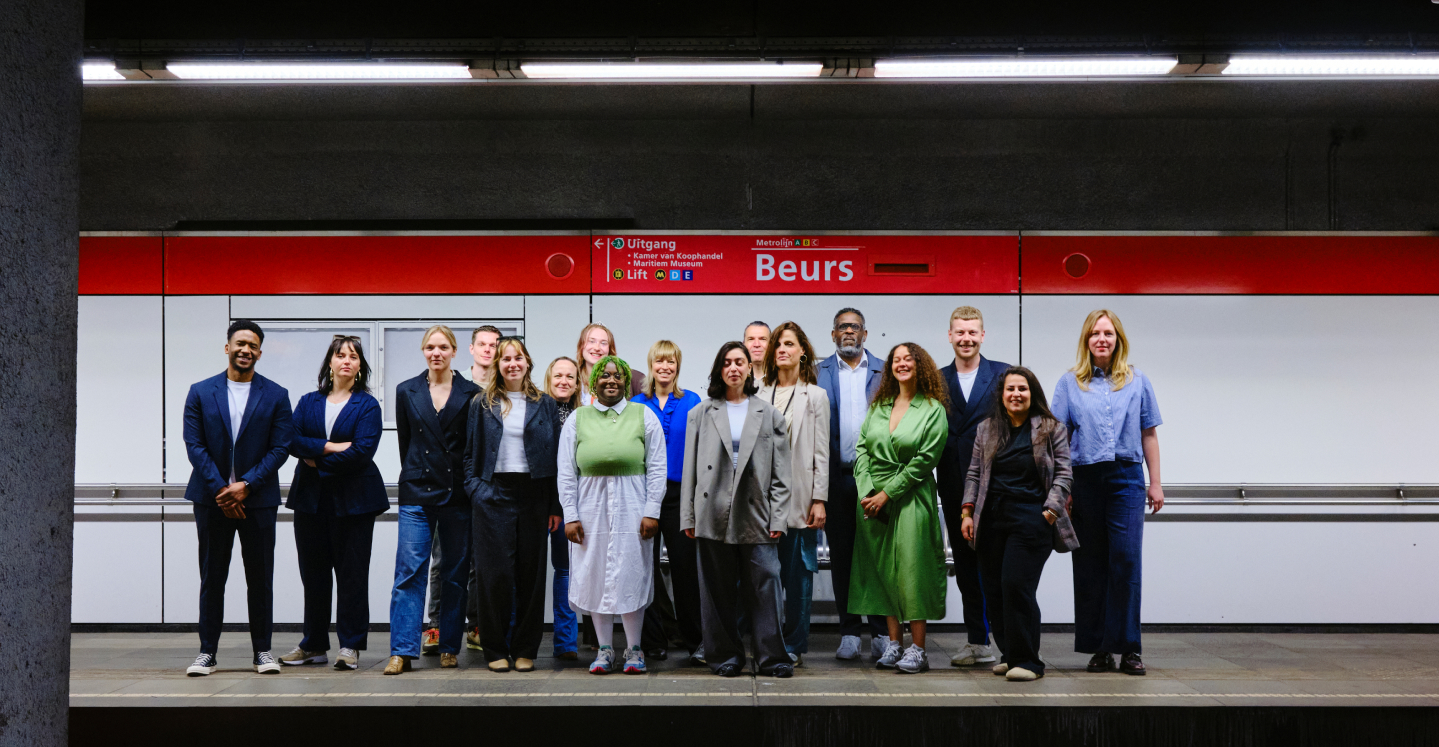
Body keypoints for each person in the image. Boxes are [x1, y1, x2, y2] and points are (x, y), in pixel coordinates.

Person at [1052, 310, 1164, 677]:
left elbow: (1149, 433)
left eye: (1109, 333)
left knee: (1126, 561)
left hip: (1126, 478)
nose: (1102, 339)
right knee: (1090, 563)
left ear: (1118, 340)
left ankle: (1129, 647)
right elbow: (1059, 439)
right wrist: (1063, 487)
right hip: (1084, 479)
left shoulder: (1137, 381)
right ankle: (1099, 649)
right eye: (1096, 333)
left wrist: (1155, 482)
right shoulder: (1070, 383)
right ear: (1086, 340)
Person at [181, 320, 294, 676]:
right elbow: (194, 445)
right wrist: (222, 490)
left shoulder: (276, 394)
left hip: (257, 501)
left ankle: (263, 651)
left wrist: (246, 484)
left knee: (260, 578)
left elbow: (281, 448)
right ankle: (207, 653)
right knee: (212, 577)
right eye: (240, 343)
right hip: (211, 500)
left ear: (259, 353)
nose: (246, 350)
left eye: (253, 345)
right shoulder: (201, 392)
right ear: (227, 347)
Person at [680, 342, 794, 678]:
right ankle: (724, 656)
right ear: (719, 369)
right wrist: (689, 515)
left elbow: (782, 473)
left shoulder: (769, 414)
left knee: (766, 585)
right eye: (727, 362)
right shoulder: (700, 413)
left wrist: (779, 516)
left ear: (748, 369)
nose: (733, 368)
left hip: (757, 512)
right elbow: (689, 470)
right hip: (711, 511)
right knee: (716, 591)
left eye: (739, 362)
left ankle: (772, 658)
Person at [960, 366, 1079, 682]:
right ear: (1001, 395)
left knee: (1016, 586)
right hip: (991, 521)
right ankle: (1010, 655)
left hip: (1031, 520)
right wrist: (966, 512)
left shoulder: (1051, 428)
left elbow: (1064, 474)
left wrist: (1050, 512)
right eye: (1010, 389)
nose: (1016, 394)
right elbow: (973, 473)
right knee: (994, 591)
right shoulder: (987, 429)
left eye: (1022, 389)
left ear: (1032, 393)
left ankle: (1029, 661)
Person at [280, 336, 388, 671]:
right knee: (313, 576)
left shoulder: (367, 406)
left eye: (353, 356)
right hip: (310, 502)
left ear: (360, 366)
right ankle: (313, 645)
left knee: (352, 576)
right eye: (340, 355)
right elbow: (292, 440)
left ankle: (350, 645)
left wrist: (317, 459)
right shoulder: (308, 401)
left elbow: (362, 452)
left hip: (355, 503)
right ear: (330, 361)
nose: (346, 360)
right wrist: (331, 446)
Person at [558, 356, 668, 675]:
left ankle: (634, 649)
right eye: (604, 375)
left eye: (617, 376)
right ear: (594, 381)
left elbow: (657, 468)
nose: (611, 380)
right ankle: (604, 649)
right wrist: (570, 515)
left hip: (634, 506)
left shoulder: (643, 415)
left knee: (632, 573)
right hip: (589, 508)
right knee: (595, 574)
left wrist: (652, 511)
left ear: (626, 382)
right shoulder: (578, 418)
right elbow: (566, 472)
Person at [849, 342, 950, 674]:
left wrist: (887, 494)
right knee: (883, 574)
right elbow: (862, 450)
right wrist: (868, 492)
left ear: (920, 366)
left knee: (912, 570)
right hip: (872, 500)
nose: (902, 364)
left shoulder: (932, 408)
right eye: (896, 359)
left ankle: (918, 649)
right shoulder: (879, 406)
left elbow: (925, 460)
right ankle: (894, 644)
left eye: (909, 359)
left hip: (911, 497)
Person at [465, 336, 563, 673]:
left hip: (535, 494)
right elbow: (469, 453)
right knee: (494, 576)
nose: (512, 364)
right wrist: (476, 490)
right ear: (498, 364)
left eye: (518, 358)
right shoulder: (481, 403)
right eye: (506, 359)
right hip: (493, 493)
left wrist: (555, 505)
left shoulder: (545, 404)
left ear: (527, 363)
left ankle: (525, 649)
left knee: (531, 576)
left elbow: (556, 457)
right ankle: (494, 648)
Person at [388, 325, 481, 675]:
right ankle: (401, 650)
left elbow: (473, 448)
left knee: (455, 572)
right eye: (430, 347)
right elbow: (406, 444)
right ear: (423, 351)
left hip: (457, 493)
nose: (436, 353)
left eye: (443, 347)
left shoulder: (472, 393)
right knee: (409, 572)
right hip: (416, 491)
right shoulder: (406, 390)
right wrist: (416, 472)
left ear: (454, 351)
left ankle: (449, 647)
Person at [936, 306, 1010, 667]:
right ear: (950, 336)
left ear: (983, 335)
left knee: (999, 568)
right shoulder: (936, 379)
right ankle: (978, 641)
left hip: (996, 486)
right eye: (960, 332)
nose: (966, 339)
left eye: (972, 332)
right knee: (966, 567)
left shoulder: (1003, 374)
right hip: (953, 484)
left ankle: (1013, 643)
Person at [815, 307, 889, 660]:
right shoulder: (818, 373)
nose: (848, 332)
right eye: (842, 327)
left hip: (876, 481)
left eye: (855, 327)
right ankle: (849, 632)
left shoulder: (885, 371)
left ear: (865, 334)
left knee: (876, 557)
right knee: (842, 557)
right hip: (836, 479)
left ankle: (881, 632)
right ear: (833, 334)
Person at [756, 321, 830, 667]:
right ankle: (768, 642)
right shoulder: (758, 393)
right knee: (765, 578)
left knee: (798, 579)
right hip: (763, 501)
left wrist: (820, 499)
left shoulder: (815, 396)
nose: (782, 349)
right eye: (778, 344)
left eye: (789, 344)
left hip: (800, 498)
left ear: (803, 351)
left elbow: (821, 452)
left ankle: (795, 645)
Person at [427, 325, 501, 655]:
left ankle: (476, 626)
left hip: (488, 487)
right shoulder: (458, 386)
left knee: (479, 561)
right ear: (470, 349)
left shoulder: (504, 387)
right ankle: (435, 627)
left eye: (494, 345)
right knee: (442, 558)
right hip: (451, 485)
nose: (488, 350)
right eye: (482, 344)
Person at [631, 341, 705, 662]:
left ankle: (696, 642)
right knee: (644, 570)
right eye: (659, 361)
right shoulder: (635, 404)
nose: (665, 367)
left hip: (680, 496)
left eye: (671, 362)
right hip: (643, 495)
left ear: (677, 366)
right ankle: (652, 641)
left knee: (685, 571)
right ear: (651, 365)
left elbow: (701, 450)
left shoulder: (692, 401)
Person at [543, 356, 583, 661]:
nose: (564, 381)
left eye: (570, 376)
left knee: (565, 570)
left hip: (568, 506)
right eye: (558, 375)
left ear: (577, 383)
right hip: (538, 504)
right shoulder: (536, 411)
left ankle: (566, 642)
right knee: (526, 574)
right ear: (549, 379)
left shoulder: (584, 416)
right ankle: (518, 640)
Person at [576, 323, 645, 403]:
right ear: (581, 346)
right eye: (591, 341)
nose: (597, 348)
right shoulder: (571, 379)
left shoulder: (634, 379)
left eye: (603, 343)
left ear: (610, 349)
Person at [743, 321, 770, 387]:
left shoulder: (783, 380)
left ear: (771, 344)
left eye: (762, 339)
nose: (757, 344)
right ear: (743, 344)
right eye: (751, 339)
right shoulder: (734, 382)